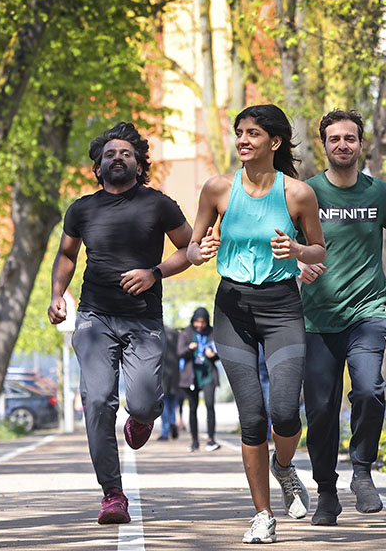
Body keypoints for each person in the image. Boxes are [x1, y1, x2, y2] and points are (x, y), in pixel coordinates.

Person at [187, 104, 327, 544]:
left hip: (282, 306)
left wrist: (298, 253)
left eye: (253, 134)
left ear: (275, 142)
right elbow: (191, 246)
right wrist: (200, 251)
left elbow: (318, 250)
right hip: (232, 308)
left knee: (285, 411)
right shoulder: (217, 190)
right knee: (252, 416)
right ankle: (263, 514)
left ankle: (284, 468)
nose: (243, 140)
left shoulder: (298, 194)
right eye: (239, 133)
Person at [48, 122, 193, 525]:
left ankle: (143, 416)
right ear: (98, 166)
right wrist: (57, 295)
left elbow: (190, 248)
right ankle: (112, 493)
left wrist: (155, 273)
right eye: (109, 154)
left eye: (126, 153)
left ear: (139, 164)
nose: (117, 158)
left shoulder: (159, 204)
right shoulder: (81, 209)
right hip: (95, 317)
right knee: (96, 402)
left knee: (144, 400)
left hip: (143, 319)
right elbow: (66, 256)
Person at [298, 109, 386, 526]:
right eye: (334, 139)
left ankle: (362, 470)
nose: (342, 145)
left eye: (349, 138)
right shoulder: (305, 193)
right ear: (324, 146)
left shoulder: (380, 193)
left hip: (367, 311)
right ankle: (326, 491)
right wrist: (298, 267)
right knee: (321, 409)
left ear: (361, 144)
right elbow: (285, 247)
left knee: (368, 389)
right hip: (316, 318)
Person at [177, 307, 220, 452]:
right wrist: (190, 348)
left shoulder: (213, 332)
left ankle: (211, 439)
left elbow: (221, 352)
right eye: (197, 322)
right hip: (191, 376)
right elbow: (179, 352)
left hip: (208, 374)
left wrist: (213, 354)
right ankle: (194, 441)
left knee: (209, 405)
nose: (200, 325)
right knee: (193, 408)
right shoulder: (186, 332)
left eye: (202, 322)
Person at [157, 326, 181, 441]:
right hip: (175, 372)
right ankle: (173, 422)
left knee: (164, 403)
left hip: (163, 373)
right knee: (172, 402)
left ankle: (165, 432)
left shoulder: (157, 332)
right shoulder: (175, 333)